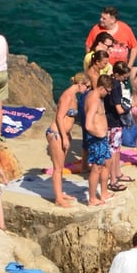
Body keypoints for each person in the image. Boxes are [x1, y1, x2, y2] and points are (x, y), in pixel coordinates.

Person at [45, 74, 90, 207]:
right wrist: (64, 137)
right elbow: (59, 117)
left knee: (60, 167)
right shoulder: (67, 96)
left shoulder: (74, 97)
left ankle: (60, 194)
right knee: (58, 168)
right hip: (56, 134)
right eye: (86, 86)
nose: (87, 89)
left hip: (63, 134)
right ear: (80, 84)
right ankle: (58, 199)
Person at [83, 73, 114, 206]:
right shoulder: (94, 101)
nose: (108, 94)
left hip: (102, 139)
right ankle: (92, 199)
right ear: (101, 88)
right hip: (97, 139)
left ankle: (104, 192)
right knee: (97, 168)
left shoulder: (96, 97)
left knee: (108, 162)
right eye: (107, 91)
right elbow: (88, 124)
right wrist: (99, 134)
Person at [106, 61, 134, 191]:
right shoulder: (116, 86)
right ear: (117, 74)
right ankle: (113, 180)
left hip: (113, 122)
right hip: (113, 122)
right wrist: (129, 107)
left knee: (117, 150)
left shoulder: (112, 82)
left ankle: (117, 174)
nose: (125, 79)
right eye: (124, 77)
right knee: (113, 151)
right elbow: (119, 109)